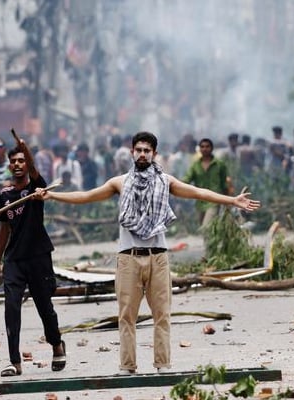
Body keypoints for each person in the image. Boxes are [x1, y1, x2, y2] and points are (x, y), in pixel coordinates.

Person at [39, 131, 260, 375]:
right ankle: (127, 366)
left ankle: (163, 365)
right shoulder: (119, 182)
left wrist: (232, 200)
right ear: (132, 152)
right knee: (126, 316)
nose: (142, 154)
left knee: (162, 315)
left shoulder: (166, 181)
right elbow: (86, 196)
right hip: (128, 257)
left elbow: (198, 192)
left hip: (158, 256)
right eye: (139, 150)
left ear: (154, 154)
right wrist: (52, 195)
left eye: (147, 150)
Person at [0, 141, 66, 377]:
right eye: (14, 161)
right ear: (9, 167)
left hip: (38, 257)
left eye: (21, 160)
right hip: (14, 260)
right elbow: (4, 230)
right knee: (11, 308)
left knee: (45, 307)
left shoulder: (36, 189)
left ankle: (57, 344)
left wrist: (26, 149)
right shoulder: (5, 196)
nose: (17, 164)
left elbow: (33, 172)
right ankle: (15, 362)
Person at [183, 138, 230, 230]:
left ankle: (208, 244)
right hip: (200, 200)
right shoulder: (195, 165)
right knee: (205, 227)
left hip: (214, 199)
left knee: (206, 226)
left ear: (212, 148)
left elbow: (224, 184)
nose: (205, 149)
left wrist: (227, 201)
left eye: (207, 146)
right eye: (202, 147)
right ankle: (211, 244)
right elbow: (187, 178)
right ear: (199, 149)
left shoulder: (220, 165)